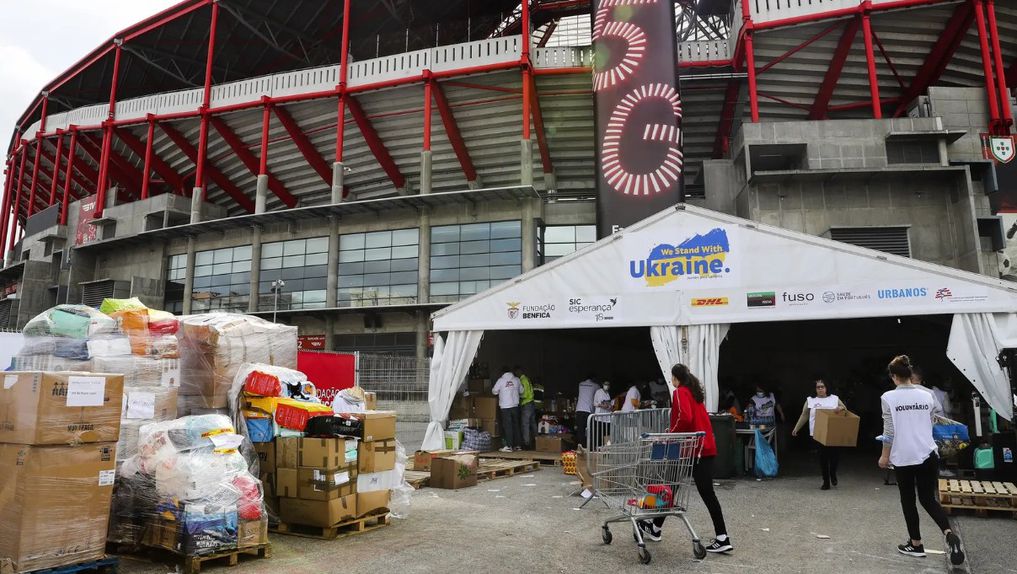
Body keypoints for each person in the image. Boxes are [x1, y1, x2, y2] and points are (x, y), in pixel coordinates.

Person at [879, 355, 965, 566]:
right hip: (928, 454)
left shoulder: (888, 397)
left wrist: (884, 455)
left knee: (908, 500)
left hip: (903, 456)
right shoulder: (927, 396)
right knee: (927, 499)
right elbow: (931, 423)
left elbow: (889, 431)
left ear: (894, 377)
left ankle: (916, 544)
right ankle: (948, 534)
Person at [638, 364, 732, 554]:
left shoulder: (680, 392)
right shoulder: (694, 393)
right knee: (674, 486)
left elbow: (685, 418)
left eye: (672, 378)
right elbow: (689, 418)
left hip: (690, 448)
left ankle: (722, 537)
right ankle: (655, 528)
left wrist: (670, 435)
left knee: (672, 486)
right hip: (702, 446)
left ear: (675, 378)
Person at [792, 378, 847, 490]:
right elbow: (804, 415)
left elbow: (845, 409)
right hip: (817, 433)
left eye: (823, 386)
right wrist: (796, 428)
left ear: (827, 388)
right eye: (818, 387)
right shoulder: (810, 400)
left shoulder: (834, 399)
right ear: (815, 389)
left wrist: (839, 408)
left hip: (833, 432)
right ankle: (826, 481)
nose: (820, 389)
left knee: (835, 456)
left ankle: (832, 473)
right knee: (823, 457)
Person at [492, 367, 522, 453]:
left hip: (505, 407)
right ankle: (518, 445)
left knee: (508, 426)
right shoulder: (516, 380)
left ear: (502, 372)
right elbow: (521, 391)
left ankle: (509, 446)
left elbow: (494, 391)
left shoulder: (501, 380)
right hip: (515, 406)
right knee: (516, 425)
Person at [516, 366, 537, 450]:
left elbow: (524, 394)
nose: (516, 374)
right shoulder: (527, 379)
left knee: (525, 424)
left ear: (519, 371)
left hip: (526, 404)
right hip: (531, 403)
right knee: (533, 423)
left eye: (516, 373)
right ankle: (537, 440)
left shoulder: (522, 380)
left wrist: (517, 395)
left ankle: (526, 443)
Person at [575, 375, 599, 448]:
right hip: (588, 411)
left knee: (580, 430)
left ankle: (581, 447)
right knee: (591, 430)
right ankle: (590, 448)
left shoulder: (580, 384)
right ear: (593, 379)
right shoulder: (596, 386)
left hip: (579, 409)